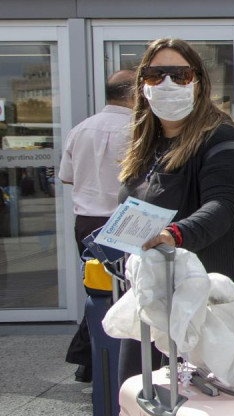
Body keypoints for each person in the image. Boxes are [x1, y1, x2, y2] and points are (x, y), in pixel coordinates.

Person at [117, 38, 234, 382]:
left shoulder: (226, 141)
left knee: (218, 395)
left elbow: (222, 207)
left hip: (219, 293)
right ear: (143, 85)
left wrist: (172, 235)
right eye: (156, 75)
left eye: (181, 75)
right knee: (150, 391)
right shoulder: (149, 146)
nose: (168, 84)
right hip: (160, 293)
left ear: (199, 82)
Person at [59, 69, 135, 383]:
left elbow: (67, 176)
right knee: (127, 291)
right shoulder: (139, 130)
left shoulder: (79, 130)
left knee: (99, 290)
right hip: (127, 220)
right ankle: (95, 358)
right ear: (133, 95)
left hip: (87, 221)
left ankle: (90, 360)